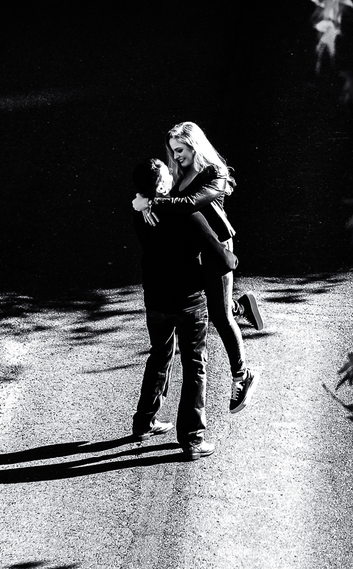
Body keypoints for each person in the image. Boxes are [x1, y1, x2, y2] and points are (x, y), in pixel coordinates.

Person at [133, 121, 263, 414]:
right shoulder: (179, 172)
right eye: (172, 150)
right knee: (211, 303)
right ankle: (240, 306)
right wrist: (143, 198)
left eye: (180, 149)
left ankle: (242, 374)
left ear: (194, 145)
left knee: (218, 315)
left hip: (215, 247)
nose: (175, 156)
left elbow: (190, 203)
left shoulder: (215, 173)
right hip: (193, 248)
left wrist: (149, 202)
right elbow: (165, 194)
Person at [131, 158, 236, 460]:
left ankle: (144, 421)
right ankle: (192, 440)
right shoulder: (189, 216)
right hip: (189, 301)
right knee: (194, 365)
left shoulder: (141, 212)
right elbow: (223, 258)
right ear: (162, 186)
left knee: (160, 354)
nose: (172, 174)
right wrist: (231, 260)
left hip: (156, 299)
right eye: (167, 174)